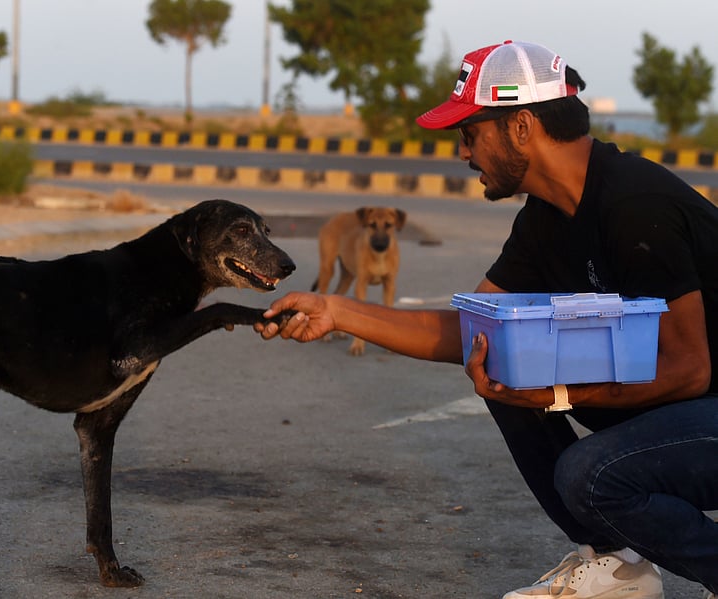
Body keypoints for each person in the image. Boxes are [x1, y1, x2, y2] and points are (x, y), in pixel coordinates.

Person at [255, 40, 718, 599]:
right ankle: (619, 568)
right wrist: (338, 311)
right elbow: (473, 331)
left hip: (704, 403)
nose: (463, 153)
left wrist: (560, 395)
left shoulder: (634, 204)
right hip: (688, 412)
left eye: (470, 133)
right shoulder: (547, 218)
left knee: (588, 473)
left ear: (521, 126)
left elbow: (690, 369)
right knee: (500, 365)